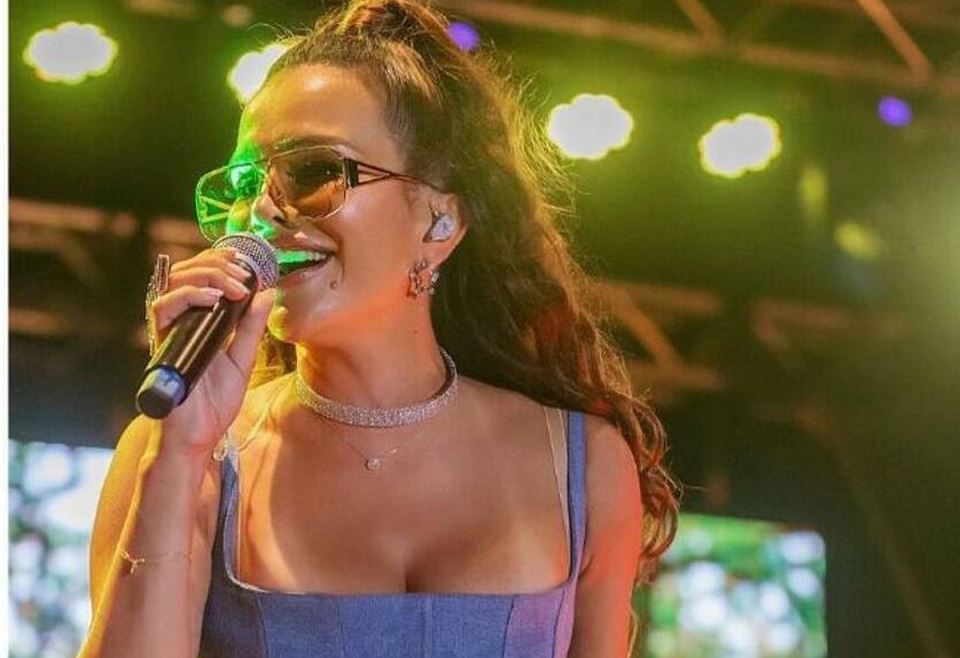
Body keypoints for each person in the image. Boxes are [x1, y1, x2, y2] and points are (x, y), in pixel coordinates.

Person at [78, 1, 678, 656]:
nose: (262, 213)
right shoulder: (184, 455)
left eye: (314, 171)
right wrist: (178, 457)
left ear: (439, 223)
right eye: (247, 183)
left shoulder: (583, 466)